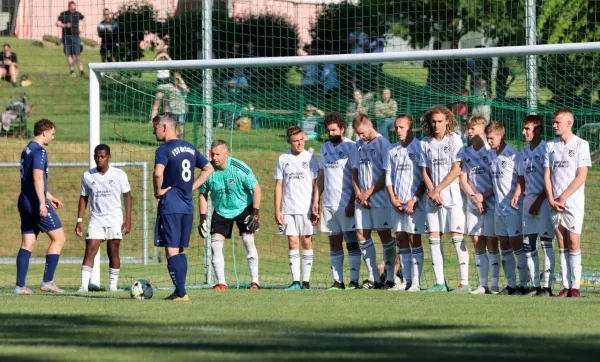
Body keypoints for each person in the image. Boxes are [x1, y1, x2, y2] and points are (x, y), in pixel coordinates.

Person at [152, 113, 214, 301]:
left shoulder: (163, 149)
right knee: (180, 249)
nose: (153, 133)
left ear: (164, 127)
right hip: (187, 206)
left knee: (170, 249)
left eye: (155, 128)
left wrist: (159, 191)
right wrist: (191, 187)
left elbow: (157, 173)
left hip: (170, 205)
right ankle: (180, 289)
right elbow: (209, 168)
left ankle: (181, 292)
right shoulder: (190, 147)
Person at [198, 140, 261, 290]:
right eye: (212, 154)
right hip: (221, 210)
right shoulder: (208, 170)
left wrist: (255, 214)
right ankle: (221, 283)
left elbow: (257, 189)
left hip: (243, 207)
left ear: (227, 154)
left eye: (218, 154)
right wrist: (202, 219)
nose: (214, 157)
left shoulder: (239, 168)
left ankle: (255, 282)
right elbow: (202, 194)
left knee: (248, 240)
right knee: (215, 244)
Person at [420, 106, 469, 293]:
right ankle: (440, 283)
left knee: (457, 238)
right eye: (433, 121)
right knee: (433, 237)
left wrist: (438, 189)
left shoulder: (455, 139)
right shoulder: (425, 143)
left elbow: (457, 168)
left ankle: (464, 283)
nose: (436, 125)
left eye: (440, 121)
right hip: (433, 199)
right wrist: (432, 192)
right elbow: (424, 171)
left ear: (447, 121)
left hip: (452, 197)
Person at [14, 119, 66, 294]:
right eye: (52, 134)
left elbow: (31, 180)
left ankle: (20, 286)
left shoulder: (26, 149)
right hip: (35, 203)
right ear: (44, 132)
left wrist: (49, 197)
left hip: (24, 201)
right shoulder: (40, 151)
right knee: (59, 238)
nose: (52, 137)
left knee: (27, 242)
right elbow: (37, 177)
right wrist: (43, 203)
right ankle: (47, 282)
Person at [544, 109, 591, 298]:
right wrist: (550, 198)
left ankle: (575, 286)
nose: (554, 125)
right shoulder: (550, 146)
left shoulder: (581, 144)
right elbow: (547, 175)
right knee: (561, 242)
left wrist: (563, 196)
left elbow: (582, 176)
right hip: (554, 202)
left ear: (569, 123)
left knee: (573, 241)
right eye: (554, 122)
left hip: (573, 201)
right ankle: (565, 286)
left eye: (557, 122)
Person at [312, 113, 361, 290]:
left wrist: (351, 202)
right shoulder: (324, 148)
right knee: (334, 242)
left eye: (334, 130)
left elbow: (357, 177)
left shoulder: (351, 147)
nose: (331, 133)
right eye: (328, 130)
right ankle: (337, 281)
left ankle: (354, 281)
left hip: (346, 202)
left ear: (342, 129)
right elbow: (322, 175)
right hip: (328, 204)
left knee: (351, 241)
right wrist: (316, 200)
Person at [75, 144, 132, 292]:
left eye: (102, 156)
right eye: (96, 156)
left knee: (113, 251)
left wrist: (128, 220)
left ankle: (113, 286)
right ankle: (83, 286)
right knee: (91, 248)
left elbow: (127, 196)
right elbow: (83, 197)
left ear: (109, 157)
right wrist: (79, 220)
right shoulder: (87, 176)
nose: (99, 159)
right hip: (96, 219)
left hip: (114, 218)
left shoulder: (119, 174)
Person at [512, 115, 553, 296]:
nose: (523, 132)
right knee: (528, 246)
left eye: (527, 129)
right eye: (523, 128)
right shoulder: (523, 152)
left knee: (546, 244)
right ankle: (535, 285)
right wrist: (516, 193)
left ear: (538, 130)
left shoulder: (547, 149)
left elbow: (551, 180)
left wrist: (539, 200)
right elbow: (521, 177)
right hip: (528, 202)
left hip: (543, 202)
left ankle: (547, 287)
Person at [352, 114, 395, 289]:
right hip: (361, 200)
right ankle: (374, 277)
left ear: (369, 126)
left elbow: (386, 173)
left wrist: (368, 193)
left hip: (380, 199)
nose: (360, 136)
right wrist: (359, 194)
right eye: (357, 133)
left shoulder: (383, 144)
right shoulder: (358, 145)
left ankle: (390, 276)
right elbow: (354, 172)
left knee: (384, 235)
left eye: (362, 132)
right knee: (361, 234)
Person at [274, 126, 319, 290]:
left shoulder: (311, 158)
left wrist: (316, 204)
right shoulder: (282, 159)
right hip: (289, 208)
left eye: (301, 140)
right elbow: (279, 185)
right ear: (289, 142)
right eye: (295, 141)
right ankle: (295, 282)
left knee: (306, 241)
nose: (299, 144)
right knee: (292, 242)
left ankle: (306, 282)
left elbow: (316, 184)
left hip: (307, 208)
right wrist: (277, 209)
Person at [384, 114, 426, 292]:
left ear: (411, 127)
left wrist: (414, 200)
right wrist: (393, 199)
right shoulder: (392, 150)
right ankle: (406, 281)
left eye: (402, 127)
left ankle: (416, 282)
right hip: (397, 203)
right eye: (396, 127)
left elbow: (425, 178)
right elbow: (388, 178)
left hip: (414, 203)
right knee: (401, 238)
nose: (398, 130)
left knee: (413, 238)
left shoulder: (419, 147)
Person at [459, 116, 500, 295]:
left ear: (483, 131)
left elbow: (497, 180)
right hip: (473, 203)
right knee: (477, 240)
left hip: (490, 201)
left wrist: (484, 196)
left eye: (472, 128)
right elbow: (463, 179)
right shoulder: (466, 152)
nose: (469, 131)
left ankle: (495, 284)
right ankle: (482, 285)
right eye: (468, 128)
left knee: (492, 241)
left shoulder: (491, 152)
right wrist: (474, 197)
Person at [486, 121, 526, 295]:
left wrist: (517, 193)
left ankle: (524, 284)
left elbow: (522, 179)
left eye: (491, 138)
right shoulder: (491, 155)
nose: (489, 142)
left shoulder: (513, 155)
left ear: (501, 136)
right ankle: (510, 285)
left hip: (513, 208)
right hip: (498, 209)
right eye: (487, 138)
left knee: (517, 245)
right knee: (504, 246)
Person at [56, 1, 85, 77]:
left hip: (76, 36)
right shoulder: (64, 14)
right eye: (72, 8)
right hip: (66, 36)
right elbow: (57, 23)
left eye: (74, 8)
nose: (73, 9)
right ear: (69, 7)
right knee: (69, 54)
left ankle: (81, 71)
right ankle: (72, 71)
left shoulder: (78, 14)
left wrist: (82, 28)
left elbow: (84, 20)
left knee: (78, 54)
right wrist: (65, 25)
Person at [149, 51, 173, 123]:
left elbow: (170, 61)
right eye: (161, 57)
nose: (163, 58)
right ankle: (152, 119)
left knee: (166, 103)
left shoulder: (168, 64)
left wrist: (165, 54)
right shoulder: (157, 64)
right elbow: (152, 63)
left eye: (164, 57)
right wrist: (159, 56)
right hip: (160, 84)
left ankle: (166, 119)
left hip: (168, 84)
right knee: (156, 103)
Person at [167, 73, 190, 138]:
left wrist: (181, 81)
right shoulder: (170, 86)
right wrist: (168, 89)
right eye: (175, 79)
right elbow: (159, 87)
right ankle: (175, 139)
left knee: (181, 126)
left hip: (181, 111)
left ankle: (181, 140)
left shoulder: (182, 88)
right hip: (172, 110)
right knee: (174, 126)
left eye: (178, 79)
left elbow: (187, 90)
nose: (177, 80)